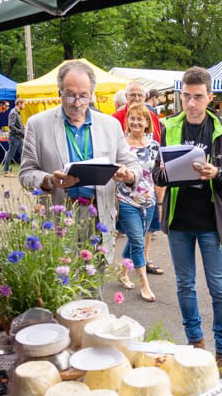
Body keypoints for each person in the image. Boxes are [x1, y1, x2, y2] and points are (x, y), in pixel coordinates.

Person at [153, 66, 222, 375]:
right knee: (185, 285)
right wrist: (165, 173)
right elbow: (157, 174)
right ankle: (195, 343)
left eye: (198, 97)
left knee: (218, 287)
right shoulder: (168, 127)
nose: (191, 104)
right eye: (186, 97)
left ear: (210, 97)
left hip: (211, 222)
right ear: (180, 95)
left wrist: (217, 173)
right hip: (179, 221)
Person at [18, 60, 140, 262]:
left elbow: (133, 165)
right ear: (59, 92)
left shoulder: (111, 125)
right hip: (59, 216)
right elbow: (25, 174)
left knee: (95, 285)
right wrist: (48, 180)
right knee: (60, 286)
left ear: (91, 94)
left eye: (83, 96)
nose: (76, 102)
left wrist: (128, 175)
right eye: (69, 95)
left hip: (99, 216)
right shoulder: (37, 125)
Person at [116, 102, 161, 302]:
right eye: (132, 118)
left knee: (138, 239)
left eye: (139, 118)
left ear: (146, 123)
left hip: (148, 200)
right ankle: (144, 284)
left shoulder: (154, 145)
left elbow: (158, 174)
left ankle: (123, 272)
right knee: (136, 241)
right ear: (127, 121)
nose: (135, 121)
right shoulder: (121, 145)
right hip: (126, 199)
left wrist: (159, 200)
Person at [2, 98, 26, 176]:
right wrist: (20, 131)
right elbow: (11, 125)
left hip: (18, 137)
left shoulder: (17, 113)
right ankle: (5, 171)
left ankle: (25, 170)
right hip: (14, 137)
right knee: (10, 154)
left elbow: (17, 125)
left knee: (23, 153)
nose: (24, 105)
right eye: (23, 104)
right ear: (19, 104)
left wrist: (23, 128)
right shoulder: (13, 113)